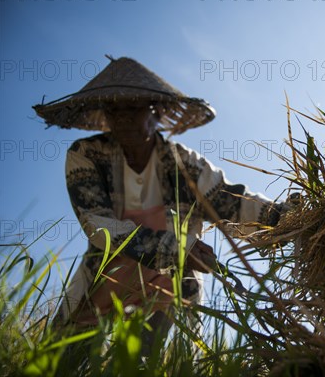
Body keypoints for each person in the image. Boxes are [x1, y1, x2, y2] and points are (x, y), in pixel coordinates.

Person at [33, 56, 286, 365]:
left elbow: (228, 202)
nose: (122, 118)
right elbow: (97, 224)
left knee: (137, 363)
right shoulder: (86, 155)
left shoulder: (184, 165)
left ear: (156, 112)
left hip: (167, 285)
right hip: (104, 277)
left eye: (133, 107)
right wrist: (177, 248)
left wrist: (282, 218)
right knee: (62, 362)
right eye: (113, 109)